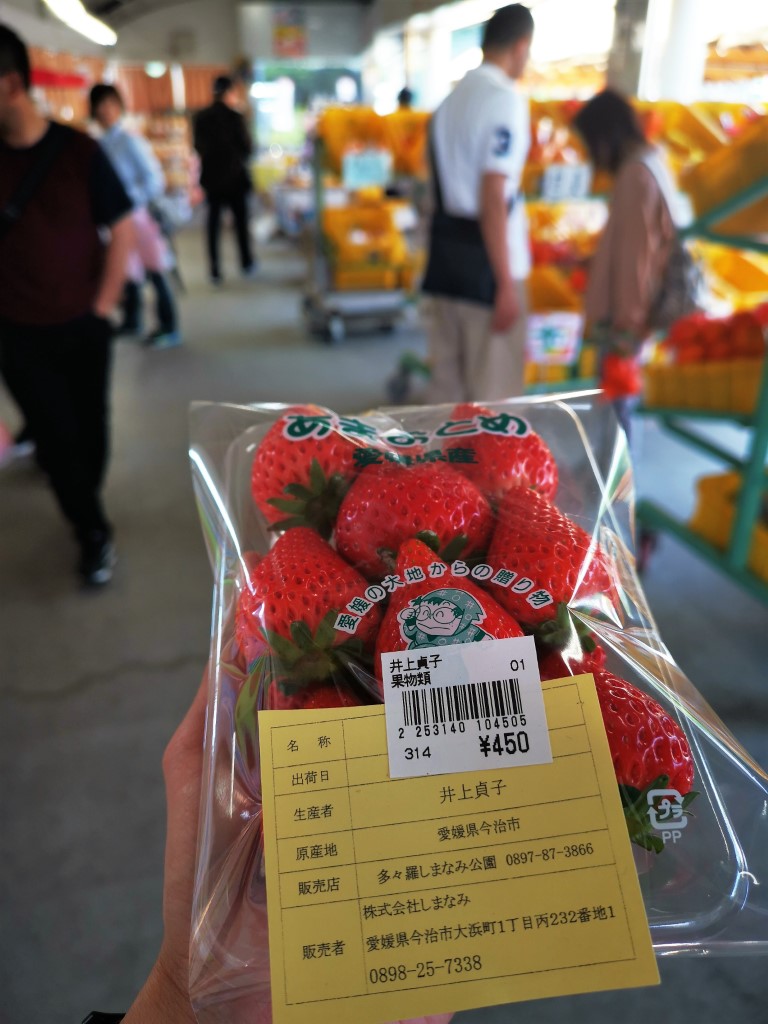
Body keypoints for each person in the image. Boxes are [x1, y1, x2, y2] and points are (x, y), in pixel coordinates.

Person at [0, 24, 133, 587]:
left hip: (83, 323)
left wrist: (103, 304)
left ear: (9, 85)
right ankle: (91, 531)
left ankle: (85, 497)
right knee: (55, 439)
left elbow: (123, 227)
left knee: (91, 430)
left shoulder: (80, 152)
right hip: (17, 332)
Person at [422, 3, 534, 404]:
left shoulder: (448, 104)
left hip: (448, 261)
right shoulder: (504, 100)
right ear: (521, 47)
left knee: (447, 395)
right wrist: (505, 283)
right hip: (490, 265)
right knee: (493, 402)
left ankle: (436, 468)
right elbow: (494, 193)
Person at [573, 89, 680, 433]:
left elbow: (636, 261)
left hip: (624, 323)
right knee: (619, 417)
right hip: (632, 318)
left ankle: (618, 488)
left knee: (616, 427)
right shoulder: (654, 163)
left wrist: (625, 329)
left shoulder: (635, 176)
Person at [90, 83, 181, 349]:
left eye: (110, 104)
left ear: (119, 107)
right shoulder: (100, 144)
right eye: (100, 105)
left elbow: (154, 180)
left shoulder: (129, 140)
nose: (105, 110)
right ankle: (133, 320)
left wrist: (128, 201)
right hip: (118, 221)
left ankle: (169, 326)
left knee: (155, 271)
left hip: (140, 217)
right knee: (128, 271)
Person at [193, 75, 255, 285]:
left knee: (213, 225)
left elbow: (197, 147)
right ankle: (246, 262)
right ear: (229, 92)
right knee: (240, 224)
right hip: (235, 178)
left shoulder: (200, 117)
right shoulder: (236, 117)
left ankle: (215, 269)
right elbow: (247, 149)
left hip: (212, 179)